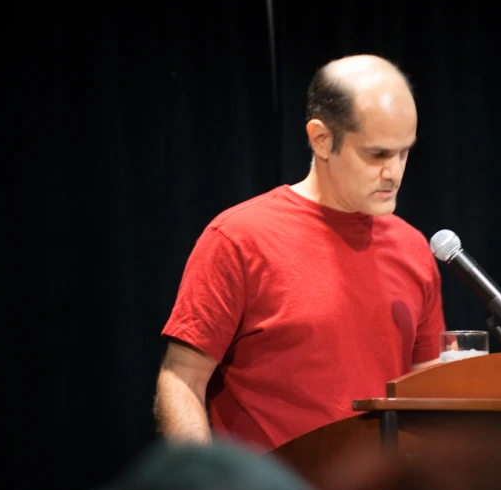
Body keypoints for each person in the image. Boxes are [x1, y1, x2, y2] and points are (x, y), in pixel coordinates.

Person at [153, 54, 446, 452]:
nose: (394, 172)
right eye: (377, 154)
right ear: (321, 139)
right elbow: (181, 379)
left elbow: (427, 394)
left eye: (404, 153)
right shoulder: (239, 239)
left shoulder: (413, 248)